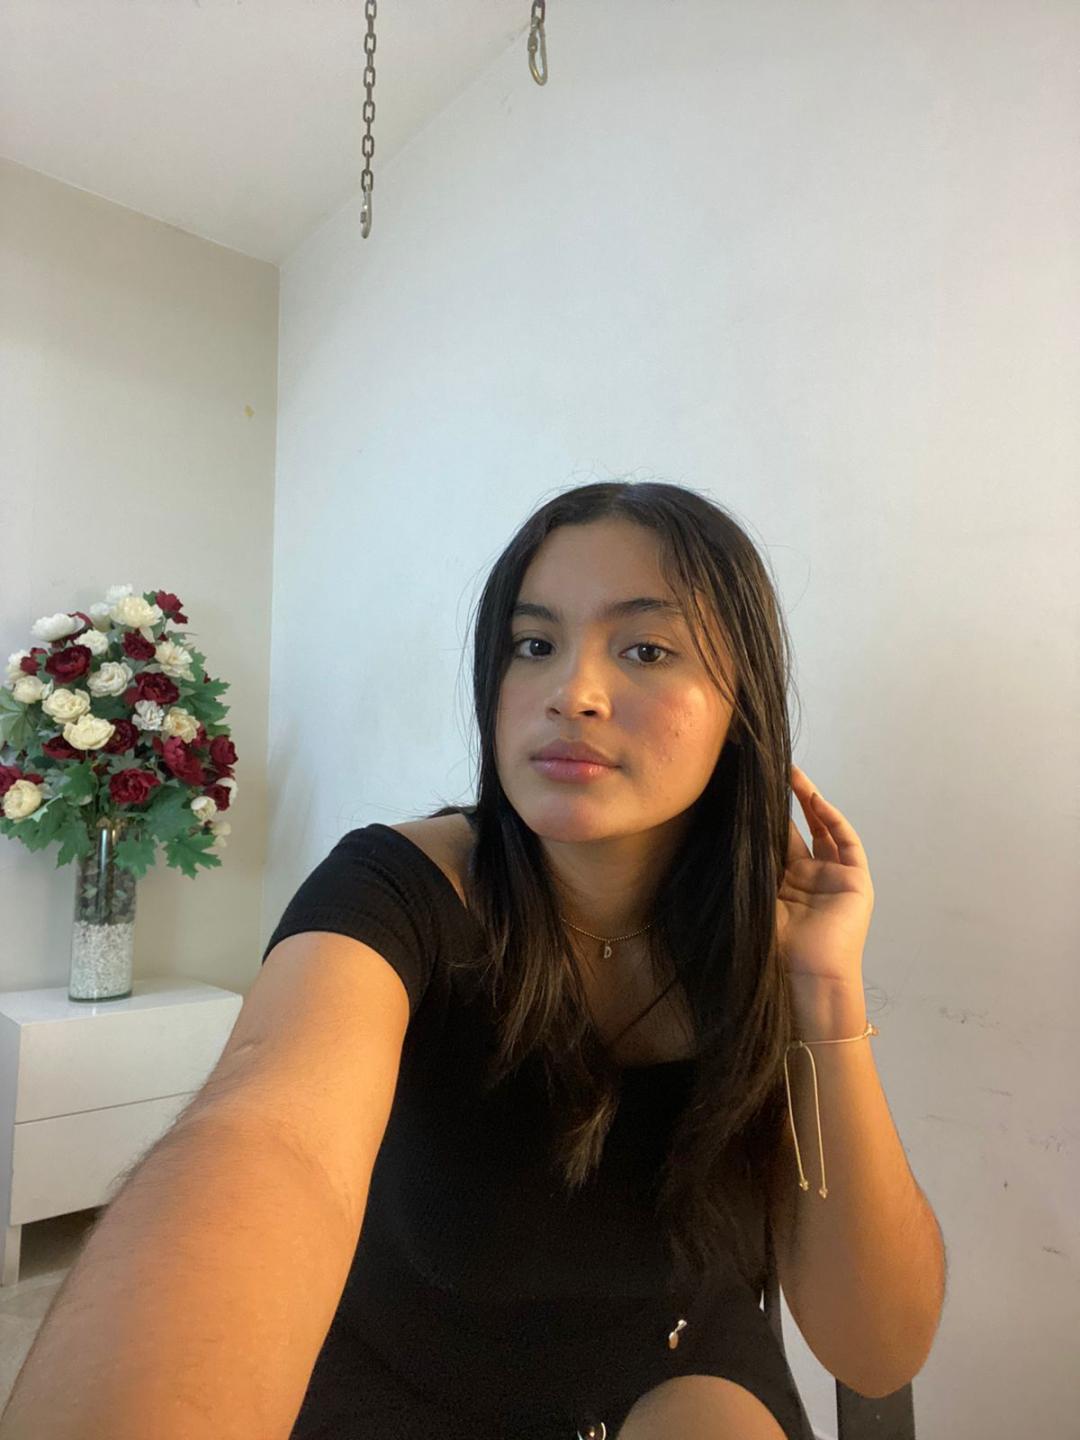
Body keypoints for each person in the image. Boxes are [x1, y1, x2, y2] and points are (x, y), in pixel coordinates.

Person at [261, 480, 826, 1439]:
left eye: (646, 650)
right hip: (408, 1381)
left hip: (683, 1362)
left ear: (743, 705)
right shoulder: (395, 891)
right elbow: (266, 1139)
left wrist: (828, 993)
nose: (573, 693)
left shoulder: (766, 929)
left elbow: (877, 1349)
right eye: (534, 645)